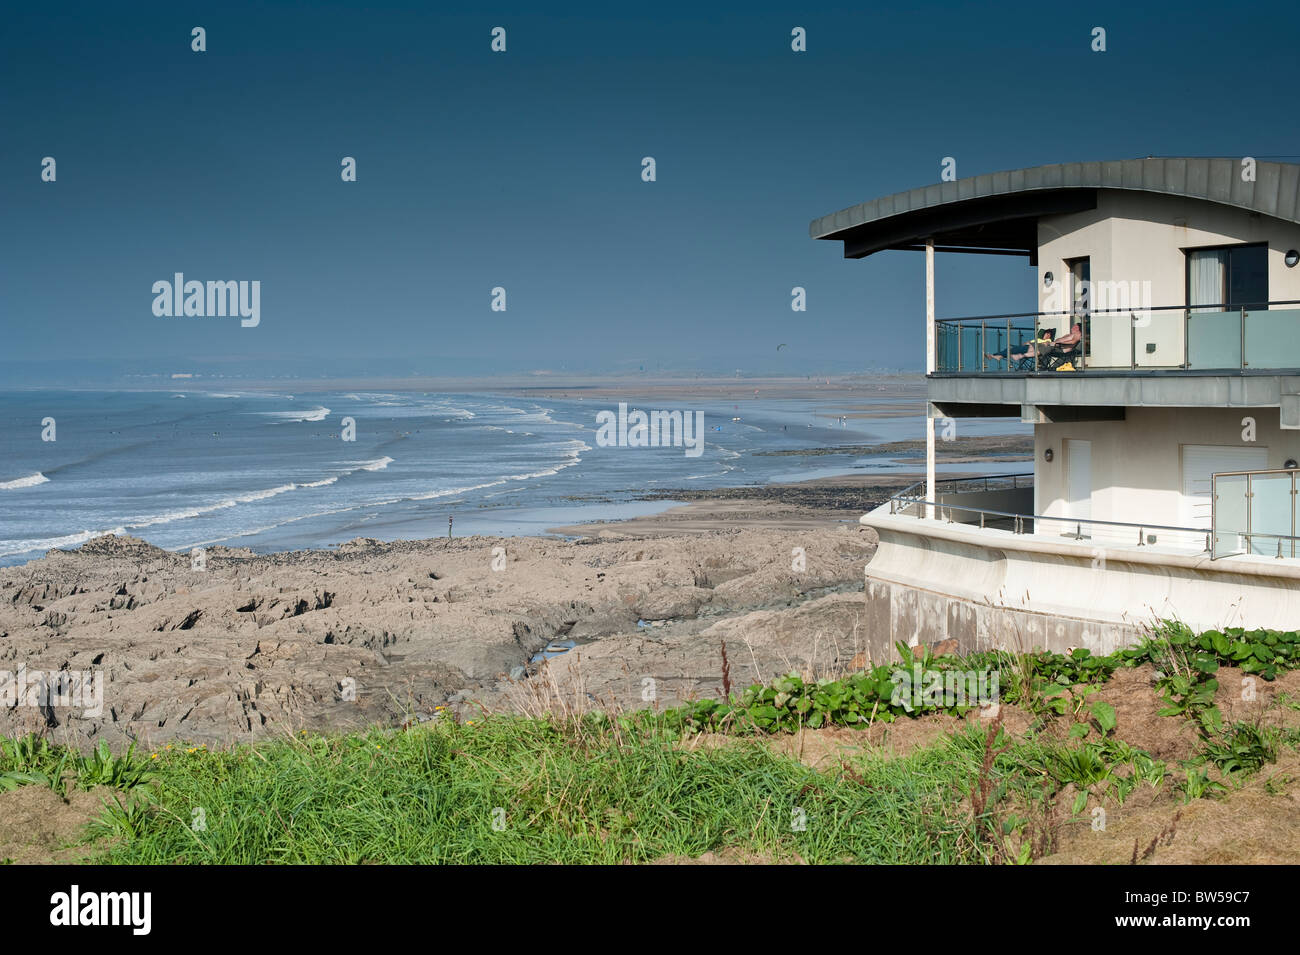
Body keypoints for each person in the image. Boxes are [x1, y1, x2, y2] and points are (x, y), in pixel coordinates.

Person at [986, 328, 1055, 364]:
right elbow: (1026, 342)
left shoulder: (1048, 340)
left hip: (1030, 348)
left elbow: (1046, 344)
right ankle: (998, 356)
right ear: (1044, 334)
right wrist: (1026, 343)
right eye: (1047, 333)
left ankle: (993, 356)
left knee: (1011, 350)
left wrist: (1045, 342)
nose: (1047, 335)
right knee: (1010, 349)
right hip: (1026, 347)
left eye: (1049, 335)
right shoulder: (1037, 339)